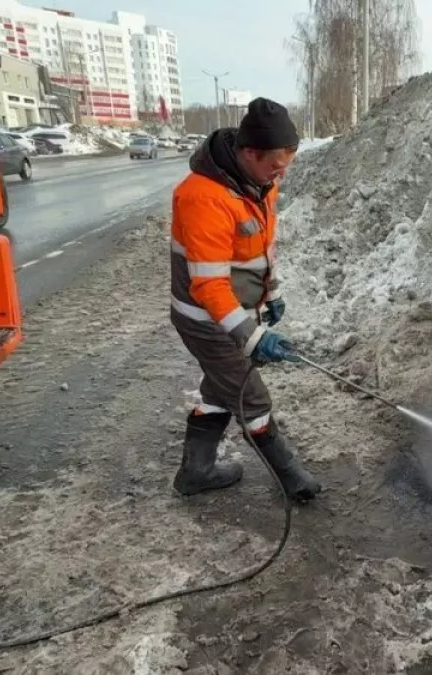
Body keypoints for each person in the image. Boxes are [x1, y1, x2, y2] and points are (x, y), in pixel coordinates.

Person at [168, 97, 321, 502]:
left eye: (287, 163)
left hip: (235, 310)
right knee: (252, 398)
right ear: (249, 153)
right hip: (205, 319)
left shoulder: (258, 182)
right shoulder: (204, 197)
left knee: (221, 390)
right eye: (275, 165)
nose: (281, 173)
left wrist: (269, 295)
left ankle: (195, 472)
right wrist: (252, 336)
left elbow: (256, 249)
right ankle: (292, 481)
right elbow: (209, 286)